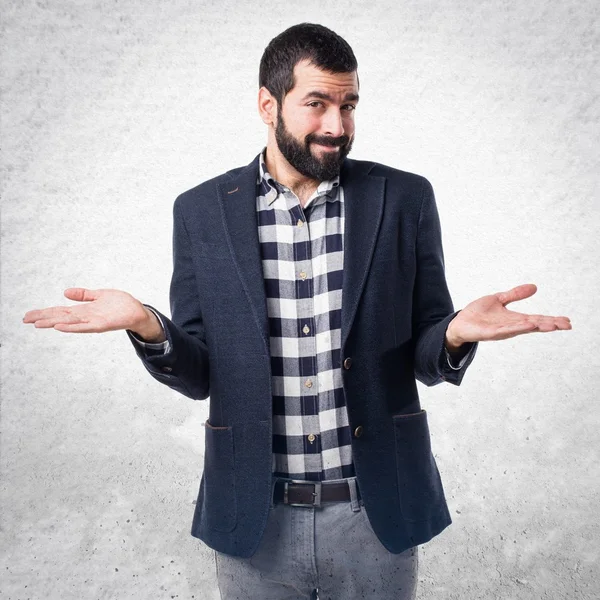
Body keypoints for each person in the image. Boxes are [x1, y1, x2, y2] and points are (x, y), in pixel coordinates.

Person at [23, 22, 572, 600]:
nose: (337, 125)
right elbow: (201, 373)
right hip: (253, 519)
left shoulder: (405, 199)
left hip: (376, 515)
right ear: (268, 104)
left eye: (348, 104)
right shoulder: (201, 212)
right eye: (317, 104)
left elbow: (425, 355)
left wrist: (456, 333)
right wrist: (147, 324)